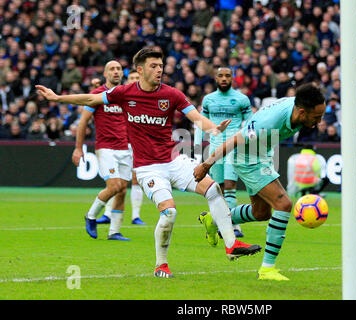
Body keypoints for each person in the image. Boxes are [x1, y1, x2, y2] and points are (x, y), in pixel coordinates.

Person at [36, 47, 261, 278]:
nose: (159, 70)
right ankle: (160, 266)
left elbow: (196, 117)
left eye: (161, 66)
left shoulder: (172, 94)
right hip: (147, 167)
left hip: (173, 159)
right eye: (153, 66)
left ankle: (231, 245)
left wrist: (212, 128)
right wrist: (57, 97)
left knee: (213, 189)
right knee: (170, 213)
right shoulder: (124, 92)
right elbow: (92, 98)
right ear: (140, 69)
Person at [194, 83, 326, 281]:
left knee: (261, 213)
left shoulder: (299, 106)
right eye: (316, 117)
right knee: (283, 204)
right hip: (248, 159)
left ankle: (214, 221)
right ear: (301, 112)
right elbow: (236, 140)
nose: (319, 121)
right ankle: (267, 269)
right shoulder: (269, 122)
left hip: (263, 153)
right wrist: (206, 165)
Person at [70, 60, 131, 241]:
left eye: (118, 69)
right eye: (111, 69)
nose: (115, 72)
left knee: (122, 191)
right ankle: (91, 215)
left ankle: (114, 232)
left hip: (124, 148)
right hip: (105, 148)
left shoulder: (126, 96)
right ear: (105, 74)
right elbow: (83, 122)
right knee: (114, 186)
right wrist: (78, 148)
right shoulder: (97, 94)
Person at [194, 66, 252, 238]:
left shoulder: (241, 99)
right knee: (218, 187)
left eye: (227, 75)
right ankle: (223, 222)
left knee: (230, 185)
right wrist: (198, 151)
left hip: (234, 148)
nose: (224, 78)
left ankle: (234, 225)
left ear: (232, 78)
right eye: (221, 76)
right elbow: (201, 123)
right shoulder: (208, 100)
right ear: (216, 78)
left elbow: (250, 123)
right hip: (214, 149)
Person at [96, 69, 147, 226]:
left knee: (135, 180)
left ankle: (135, 216)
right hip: (121, 143)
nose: (133, 80)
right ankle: (107, 214)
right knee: (115, 182)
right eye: (130, 78)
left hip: (137, 143)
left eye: (136, 78)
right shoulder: (123, 96)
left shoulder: (144, 98)